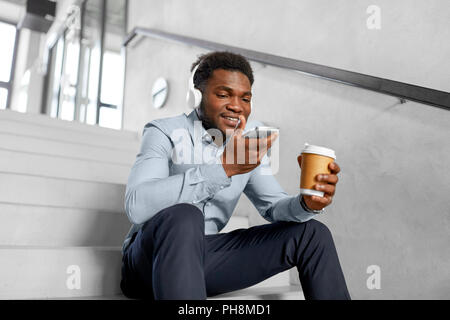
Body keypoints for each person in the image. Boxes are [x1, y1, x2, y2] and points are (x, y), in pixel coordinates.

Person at [120, 51, 351, 300]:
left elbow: (273, 206)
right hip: (149, 262)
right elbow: (136, 206)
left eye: (245, 98)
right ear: (195, 96)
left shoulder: (248, 138)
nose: (237, 106)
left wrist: (306, 203)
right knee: (185, 214)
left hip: (206, 258)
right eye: (223, 94)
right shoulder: (163, 132)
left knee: (312, 234)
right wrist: (223, 168)